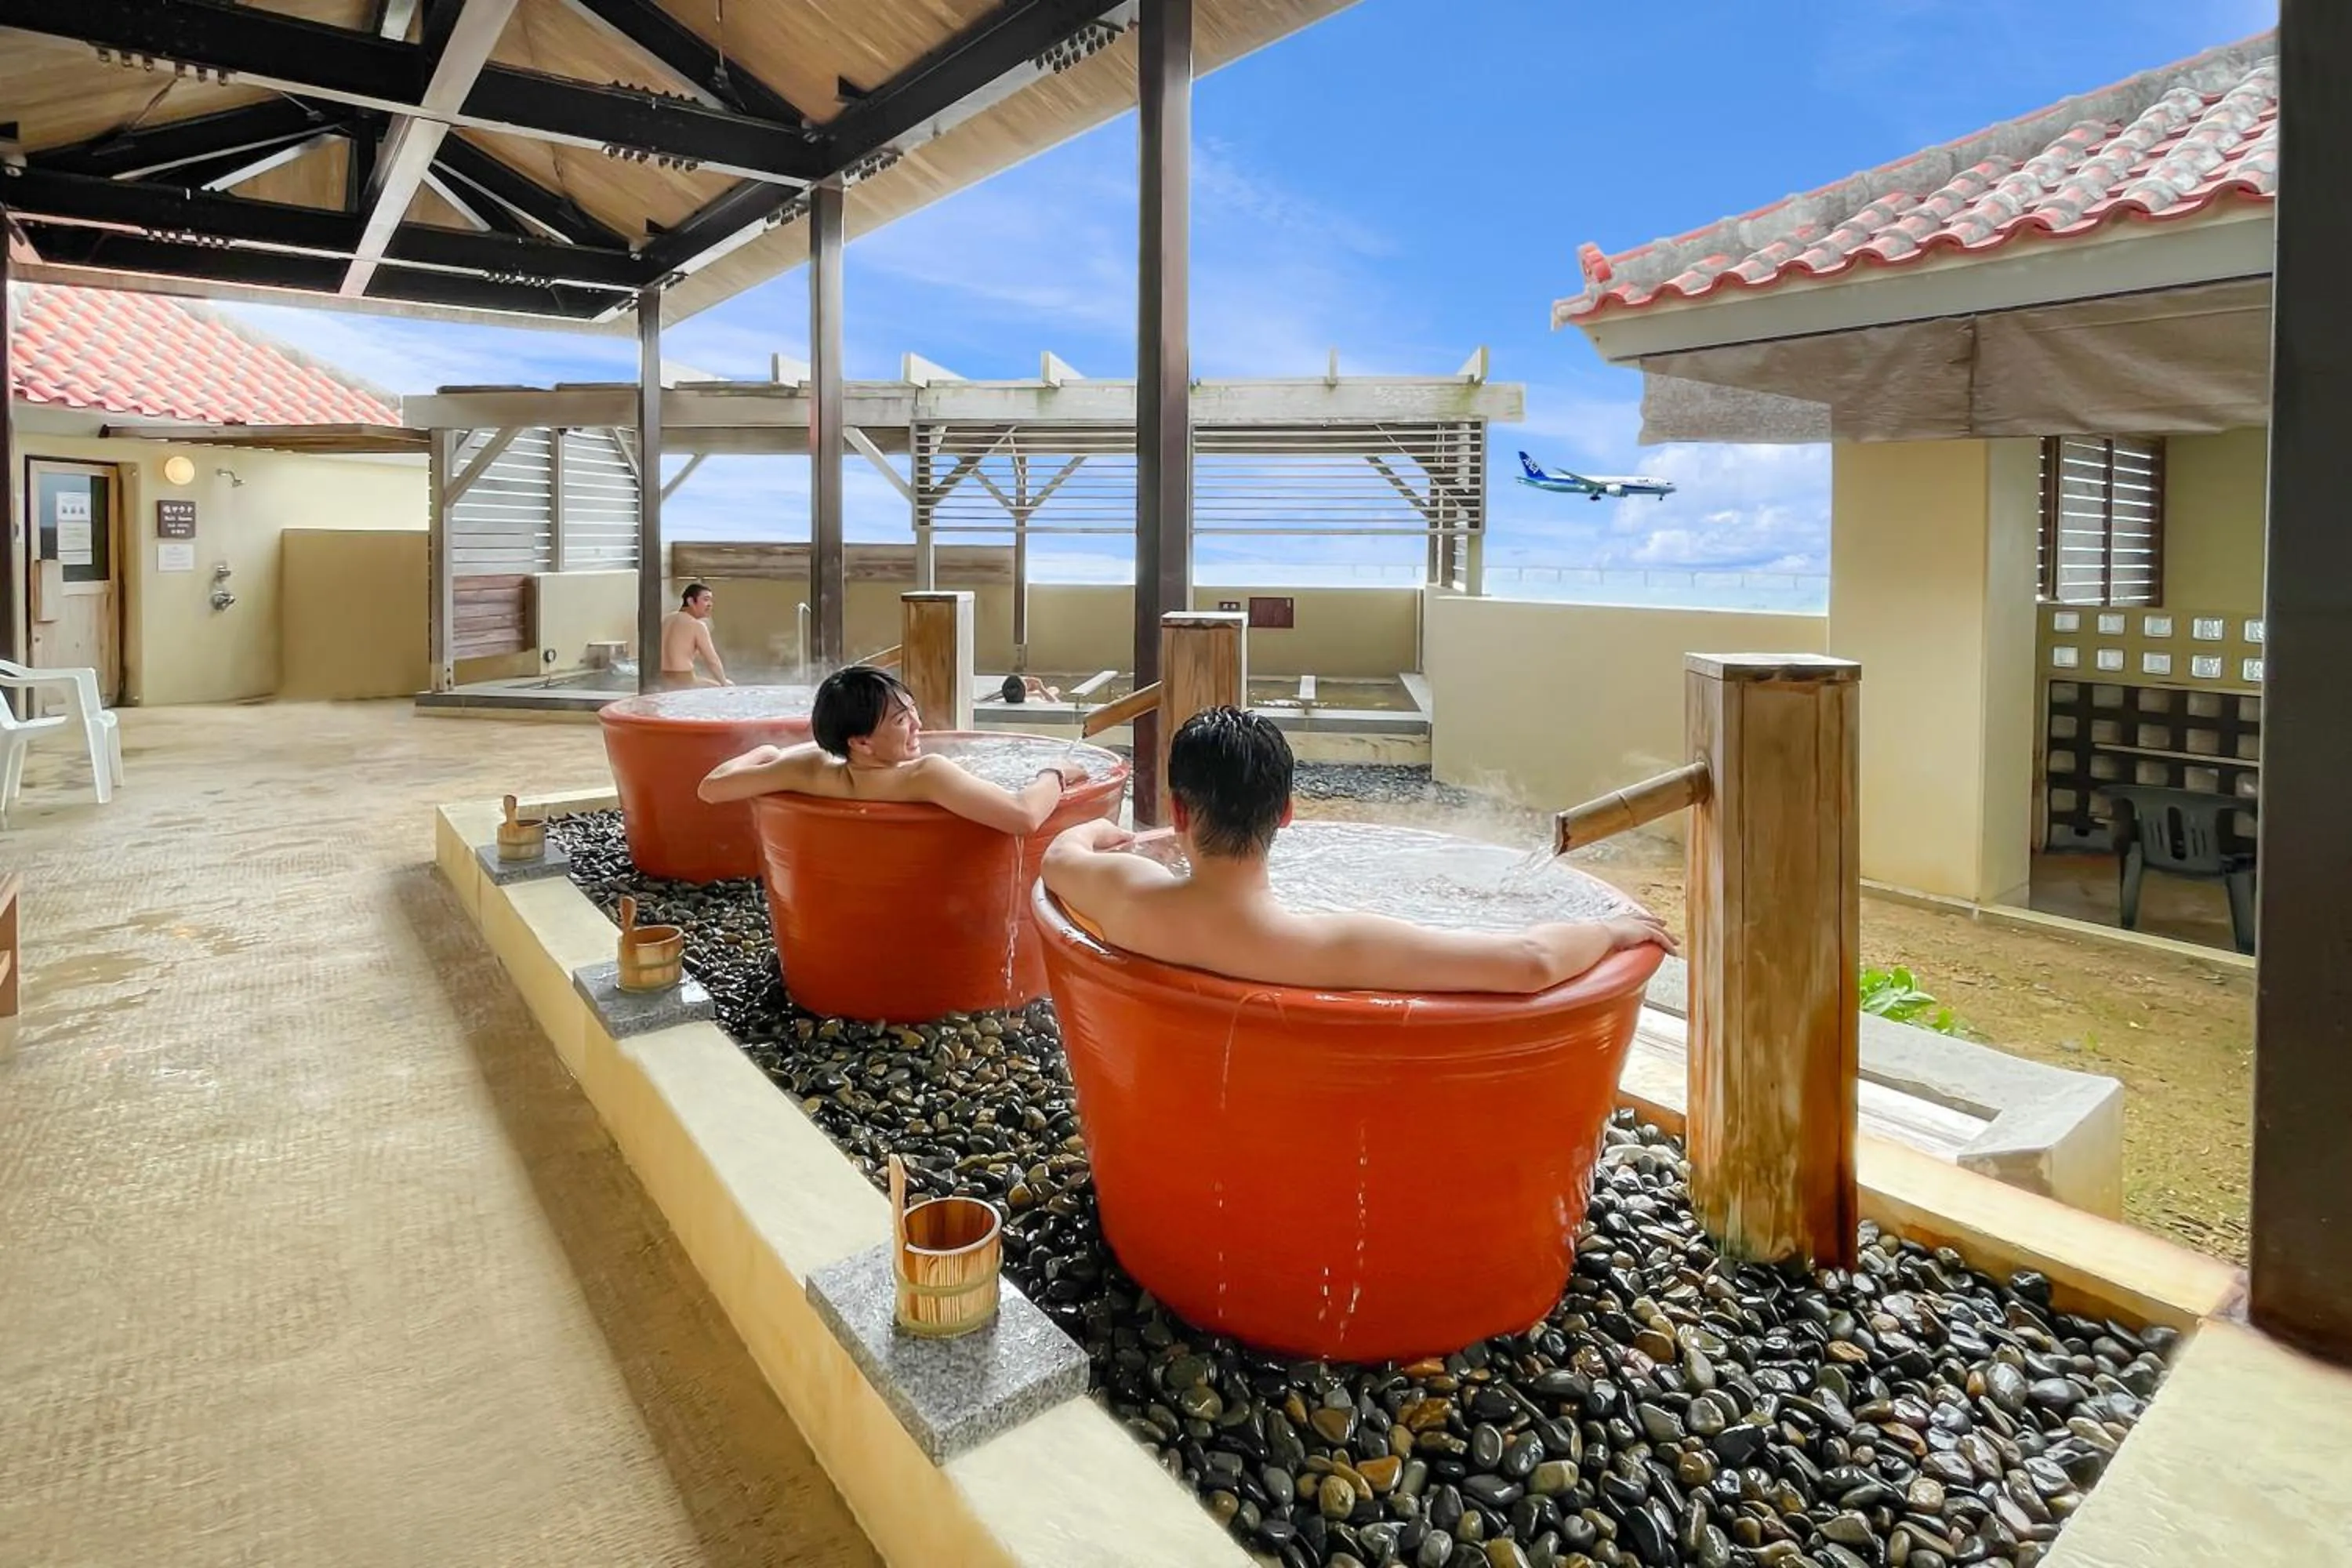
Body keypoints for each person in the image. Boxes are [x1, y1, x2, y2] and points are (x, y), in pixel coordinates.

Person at [1042, 706, 1675, 993]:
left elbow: (1059, 855)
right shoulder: (1332, 946)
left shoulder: (1126, 893)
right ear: (1287, 815)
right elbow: (1531, 964)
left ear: (1178, 812)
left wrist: (1104, 833)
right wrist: (1609, 930)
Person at [698, 665, 1092, 833]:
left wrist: (765, 752)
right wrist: (1055, 772)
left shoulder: (809, 768)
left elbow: (711, 789)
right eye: (903, 721)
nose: (919, 726)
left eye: (913, 712)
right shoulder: (925, 775)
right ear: (862, 741)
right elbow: (1023, 817)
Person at [659, 583, 729, 689]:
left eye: (711, 600)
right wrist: (724, 683)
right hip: (683, 680)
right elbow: (712, 660)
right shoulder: (697, 625)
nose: (710, 604)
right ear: (691, 601)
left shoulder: (666, 620)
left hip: (661, 679)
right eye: (706, 599)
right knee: (724, 687)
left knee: (707, 682)